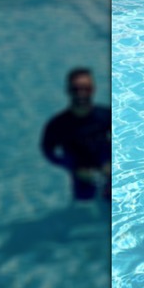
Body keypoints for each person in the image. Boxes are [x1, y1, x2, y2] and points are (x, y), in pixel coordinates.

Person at [41, 67, 111, 201]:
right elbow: (48, 151)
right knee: (85, 206)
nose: (81, 93)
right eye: (76, 89)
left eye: (86, 88)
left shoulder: (106, 116)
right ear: (68, 91)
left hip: (108, 171)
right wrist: (73, 167)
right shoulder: (57, 125)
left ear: (93, 90)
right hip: (81, 176)